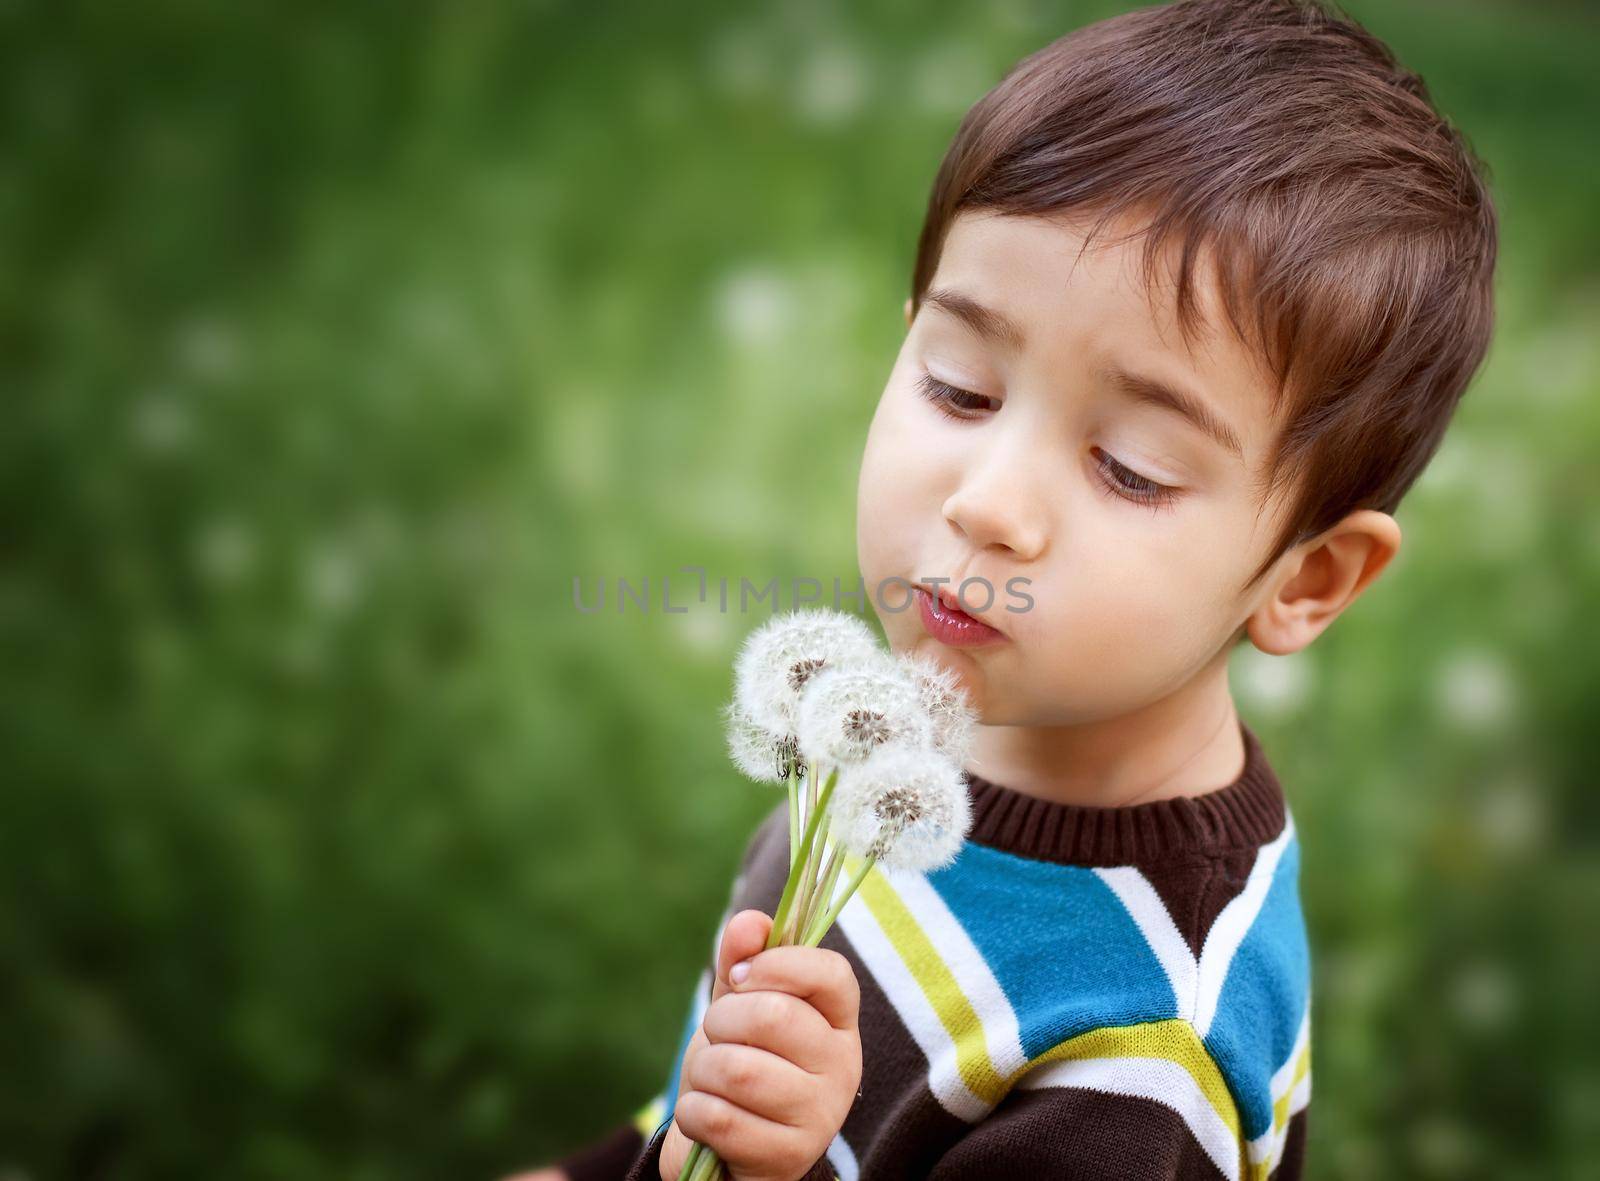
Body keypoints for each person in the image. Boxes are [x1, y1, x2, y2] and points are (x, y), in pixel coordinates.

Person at [523, 0, 1497, 1176]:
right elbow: (696, 1093)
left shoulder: (1139, 1051)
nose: (987, 502)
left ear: (1306, 578)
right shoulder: (913, 730)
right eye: (959, 387)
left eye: (1129, 468)